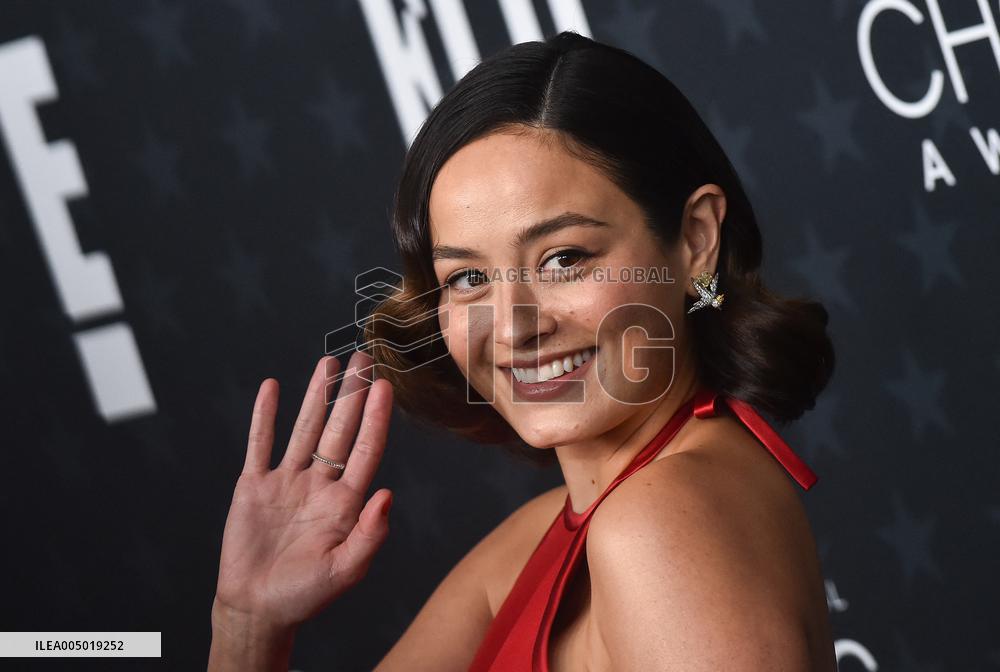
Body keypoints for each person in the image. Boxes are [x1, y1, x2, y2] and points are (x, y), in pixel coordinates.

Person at [208, 31, 838, 671]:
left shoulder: (659, 527)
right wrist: (248, 622)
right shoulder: (543, 536)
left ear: (695, 239)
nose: (512, 328)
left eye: (564, 258)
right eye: (468, 278)